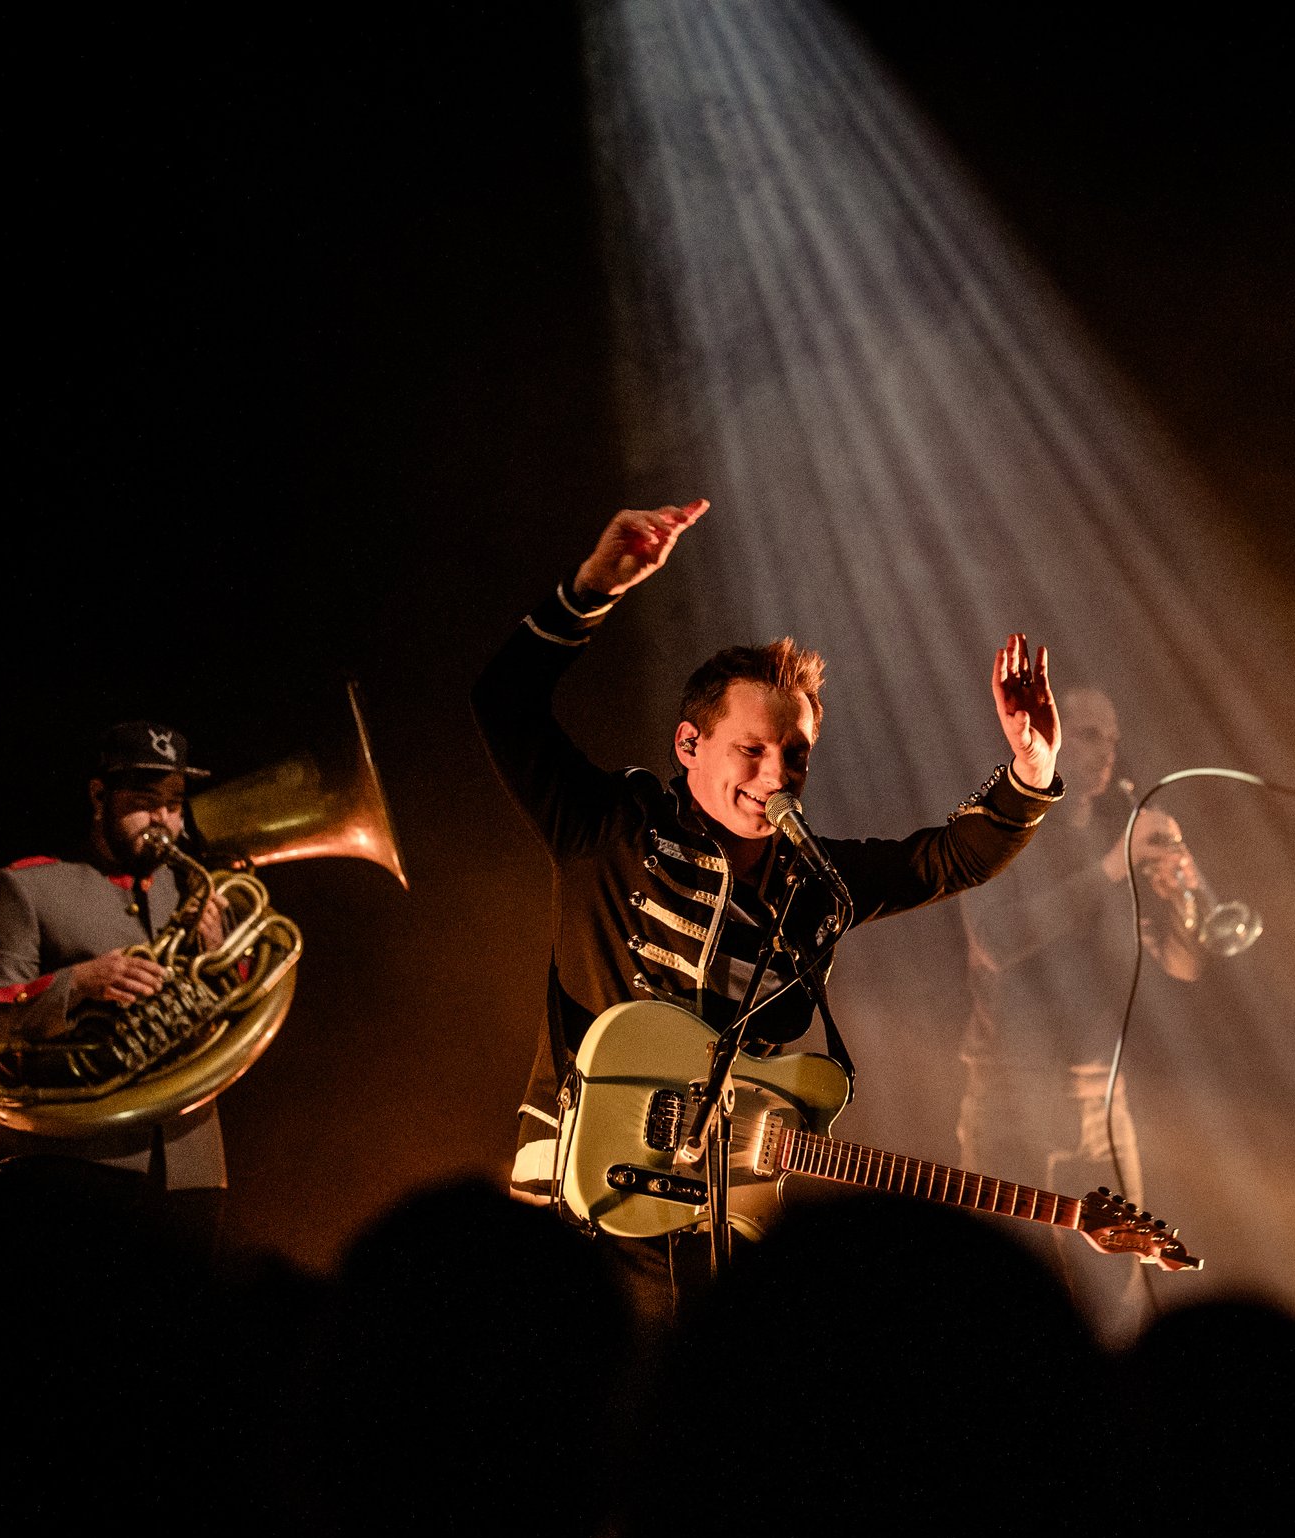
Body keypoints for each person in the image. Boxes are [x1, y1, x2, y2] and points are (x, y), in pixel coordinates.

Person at [473, 498, 1066, 1327]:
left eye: (794, 754)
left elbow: (949, 857)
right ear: (689, 747)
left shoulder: (814, 884)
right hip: (575, 1204)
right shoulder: (609, 827)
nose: (776, 772)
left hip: (717, 1221)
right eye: (751, 749)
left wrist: (1031, 766)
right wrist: (590, 588)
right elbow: (505, 704)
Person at [956, 686, 1201, 1333]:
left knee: (1119, 1300)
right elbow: (995, 941)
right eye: (1090, 733)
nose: (1107, 751)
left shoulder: (1115, 838)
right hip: (1011, 1094)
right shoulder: (999, 822)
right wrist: (1110, 868)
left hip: (1101, 1104)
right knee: (1017, 1310)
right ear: (1052, 733)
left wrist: (1184, 899)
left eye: (1113, 738)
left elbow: (1183, 965)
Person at [0, 721, 230, 1247]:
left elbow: (233, 1021)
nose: (164, 820)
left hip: (192, 1165)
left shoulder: (198, 890)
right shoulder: (29, 886)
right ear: (98, 795)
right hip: (68, 1160)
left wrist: (218, 956)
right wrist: (78, 982)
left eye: (175, 803)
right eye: (145, 801)